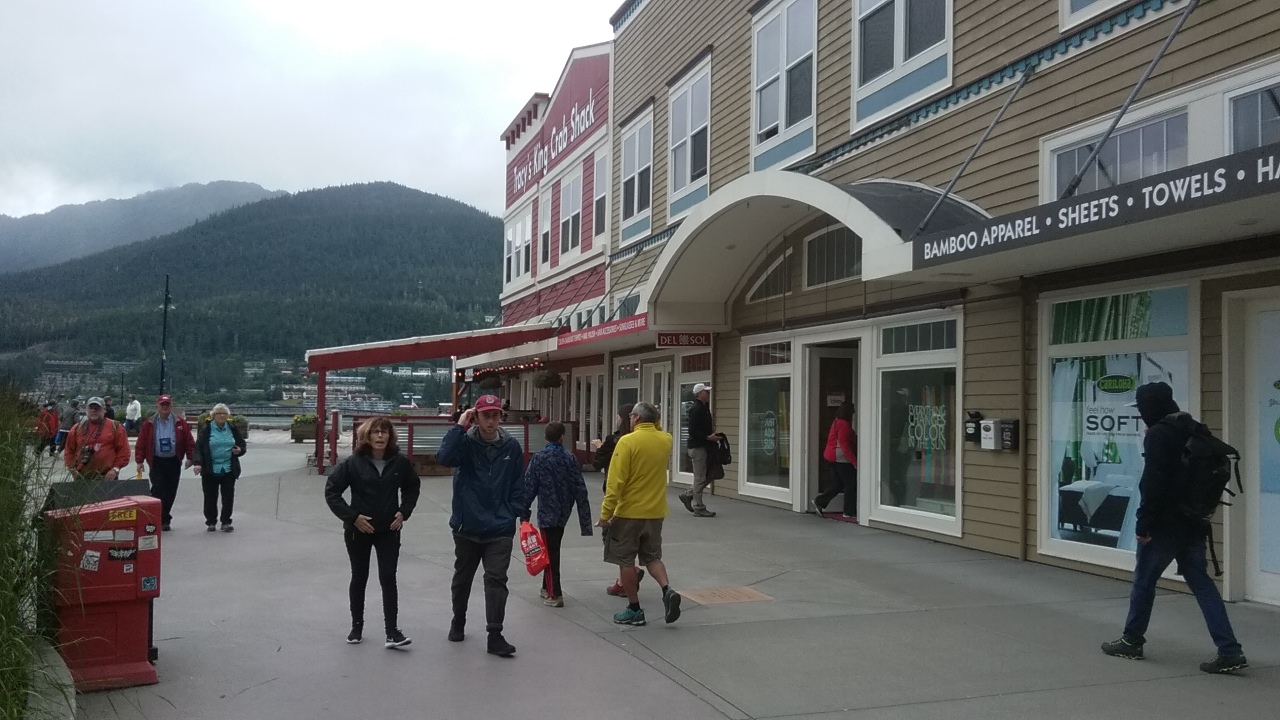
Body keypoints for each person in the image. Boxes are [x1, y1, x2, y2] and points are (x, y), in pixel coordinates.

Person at [1101, 382, 1247, 674]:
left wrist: (1143, 522)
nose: (1141, 413)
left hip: (1165, 524)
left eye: (1141, 408)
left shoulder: (1159, 434)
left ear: (1149, 407)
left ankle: (1132, 641)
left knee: (1144, 581)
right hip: (1193, 521)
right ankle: (1230, 650)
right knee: (1202, 583)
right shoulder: (1192, 427)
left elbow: (1153, 482)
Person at [437, 394, 526, 658]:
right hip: (467, 526)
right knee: (462, 578)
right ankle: (458, 619)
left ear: (501, 417)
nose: (490, 421)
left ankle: (495, 634)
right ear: (476, 417)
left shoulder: (511, 446)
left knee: (496, 579)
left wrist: (514, 512)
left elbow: (519, 482)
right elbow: (444, 457)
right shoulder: (465, 443)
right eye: (485, 415)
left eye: (495, 415)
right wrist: (459, 425)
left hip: (499, 527)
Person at [325, 416, 421, 648]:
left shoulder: (400, 462)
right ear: (366, 436)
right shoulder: (353, 463)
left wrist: (404, 512)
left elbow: (412, 487)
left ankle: (392, 632)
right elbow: (332, 491)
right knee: (359, 577)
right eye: (375, 432)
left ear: (390, 436)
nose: (380, 436)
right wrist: (353, 517)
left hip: (389, 529)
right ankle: (356, 627)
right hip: (359, 530)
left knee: (388, 577)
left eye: (384, 432)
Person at [599, 402, 682, 626]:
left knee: (625, 560)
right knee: (652, 557)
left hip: (628, 513)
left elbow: (615, 483)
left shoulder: (627, 442)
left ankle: (634, 609)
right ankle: (667, 590)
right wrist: (654, 420)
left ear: (636, 418)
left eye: (631, 416)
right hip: (655, 512)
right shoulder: (665, 440)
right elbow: (659, 428)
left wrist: (605, 514)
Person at [518, 422, 592, 607]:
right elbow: (580, 488)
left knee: (550, 552)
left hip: (547, 512)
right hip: (563, 511)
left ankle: (555, 593)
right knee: (552, 547)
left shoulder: (539, 458)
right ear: (562, 437)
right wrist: (585, 522)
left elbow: (529, 486)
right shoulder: (570, 458)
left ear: (545, 437)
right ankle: (546, 586)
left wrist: (524, 513)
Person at [593, 404, 646, 596]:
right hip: (638, 494)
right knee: (630, 538)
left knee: (612, 537)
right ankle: (622, 580)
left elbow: (597, 463)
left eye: (618, 417)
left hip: (616, 492)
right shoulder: (642, 440)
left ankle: (629, 575)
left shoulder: (615, 440)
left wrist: (600, 447)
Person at [134, 395, 196, 531]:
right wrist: (139, 461)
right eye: (162, 404)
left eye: (167, 404)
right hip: (156, 460)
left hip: (173, 460)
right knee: (158, 489)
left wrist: (190, 458)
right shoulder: (149, 423)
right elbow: (141, 442)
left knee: (170, 491)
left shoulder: (180, 422)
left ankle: (165, 518)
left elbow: (189, 441)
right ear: (157, 406)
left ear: (171, 406)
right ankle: (155, 517)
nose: (165, 407)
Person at [192, 403, 247, 532]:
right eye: (218, 413)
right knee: (210, 497)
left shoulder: (232, 428)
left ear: (227, 415)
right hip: (210, 468)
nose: (221, 416)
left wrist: (240, 450)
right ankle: (211, 521)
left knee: (228, 497)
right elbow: (198, 447)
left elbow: (241, 444)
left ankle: (226, 521)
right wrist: (197, 463)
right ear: (213, 415)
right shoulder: (207, 429)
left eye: (224, 413)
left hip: (228, 468)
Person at [63, 397, 130, 480]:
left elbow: (124, 452)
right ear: (86, 409)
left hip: (107, 477)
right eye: (91, 408)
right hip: (82, 476)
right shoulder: (77, 428)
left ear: (104, 409)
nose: (93, 411)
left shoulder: (116, 427)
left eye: (97, 408)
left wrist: (115, 469)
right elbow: (69, 451)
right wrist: (72, 469)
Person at [678, 383, 719, 518]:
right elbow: (693, 431)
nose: (708, 393)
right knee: (700, 477)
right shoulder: (696, 409)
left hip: (703, 446)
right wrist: (708, 437)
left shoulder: (703, 407)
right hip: (698, 447)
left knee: (707, 475)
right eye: (706, 391)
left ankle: (688, 494)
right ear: (700, 393)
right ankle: (698, 507)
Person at [814, 401, 857, 518]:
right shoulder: (844, 424)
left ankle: (820, 501)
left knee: (838, 484)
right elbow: (844, 445)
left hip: (831, 456)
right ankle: (849, 511)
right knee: (850, 484)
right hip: (841, 458)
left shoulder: (836, 422)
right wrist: (854, 462)